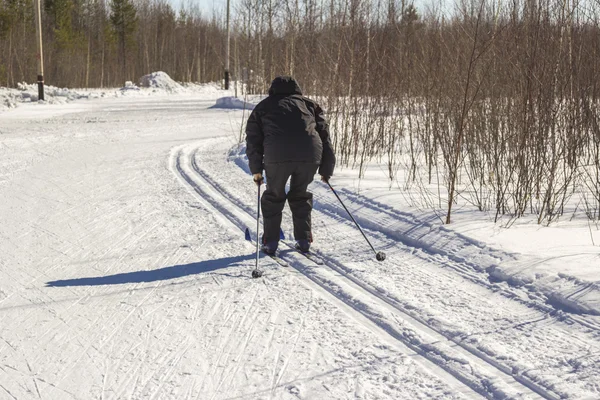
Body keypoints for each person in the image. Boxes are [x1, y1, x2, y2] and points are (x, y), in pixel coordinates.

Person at [245, 76, 335, 255]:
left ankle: (270, 243)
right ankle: (303, 240)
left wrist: (256, 170)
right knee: (300, 195)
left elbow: (253, 140)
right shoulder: (310, 105)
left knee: (274, 196)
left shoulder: (263, 107)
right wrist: (326, 169)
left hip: (277, 157)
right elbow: (325, 136)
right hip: (309, 155)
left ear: (273, 89)